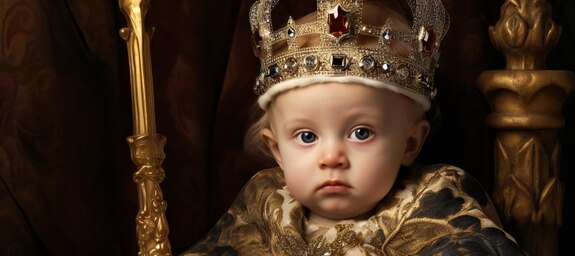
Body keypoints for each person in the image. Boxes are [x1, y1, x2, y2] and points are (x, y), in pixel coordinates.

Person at [184, 0, 527, 255]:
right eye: (306, 137)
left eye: (361, 133)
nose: (331, 157)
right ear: (276, 150)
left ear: (410, 144)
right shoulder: (264, 200)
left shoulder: (436, 197)